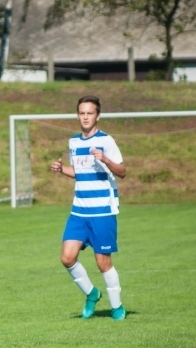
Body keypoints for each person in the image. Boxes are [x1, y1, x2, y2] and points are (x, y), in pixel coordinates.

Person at [50, 95, 127, 320]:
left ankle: (117, 307)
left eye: (89, 113)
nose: (85, 117)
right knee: (67, 258)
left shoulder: (107, 141)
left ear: (97, 116)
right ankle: (92, 294)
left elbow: (122, 171)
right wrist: (61, 169)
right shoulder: (74, 142)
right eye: (82, 113)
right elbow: (80, 172)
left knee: (103, 262)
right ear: (78, 115)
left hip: (102, 211)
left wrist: (105, 159)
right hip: (79, 212)